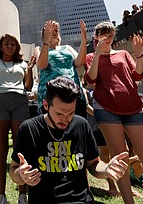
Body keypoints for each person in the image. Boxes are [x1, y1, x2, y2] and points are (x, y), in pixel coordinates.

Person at [9, 76, 128, 204]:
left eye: (70, 113)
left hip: (81, 200)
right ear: (45, 105)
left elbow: (93, 164)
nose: (65, 119)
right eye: (59, 114)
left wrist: (107, 169)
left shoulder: (81, 124)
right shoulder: (29, 128)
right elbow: (13, 169)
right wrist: (21, 175)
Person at [85, 21, 143, 203]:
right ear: (96, 36)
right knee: (119, 156)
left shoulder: (122, 53)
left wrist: (138, 56)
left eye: (110, 33)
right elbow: (91, 79)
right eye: (102, 33)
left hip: (133, 107)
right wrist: (97, 53)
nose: (107, 36)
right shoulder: (91, 57)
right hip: (106, 109)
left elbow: (137, 76)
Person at [0, 33, 35, 204]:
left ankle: (22, 194)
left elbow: (27, 86)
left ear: (17, 47)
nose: (10, 46)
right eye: (6, 43)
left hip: (20, 101)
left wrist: (30, 69)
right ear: (1, 46)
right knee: (0, 148)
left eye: (13, 43)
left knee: (20, 147)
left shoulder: (22, 64)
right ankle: (1, 195)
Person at [35, 19, 87, 117]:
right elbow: (42, 65)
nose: (54, 32)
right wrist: (46, 41)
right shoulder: (39, 49)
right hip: (52, 94)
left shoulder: (67, 48)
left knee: (77, 125)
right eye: (50, 30)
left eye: (56, 30)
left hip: (73, 91)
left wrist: (84, 40)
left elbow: (79, 62)